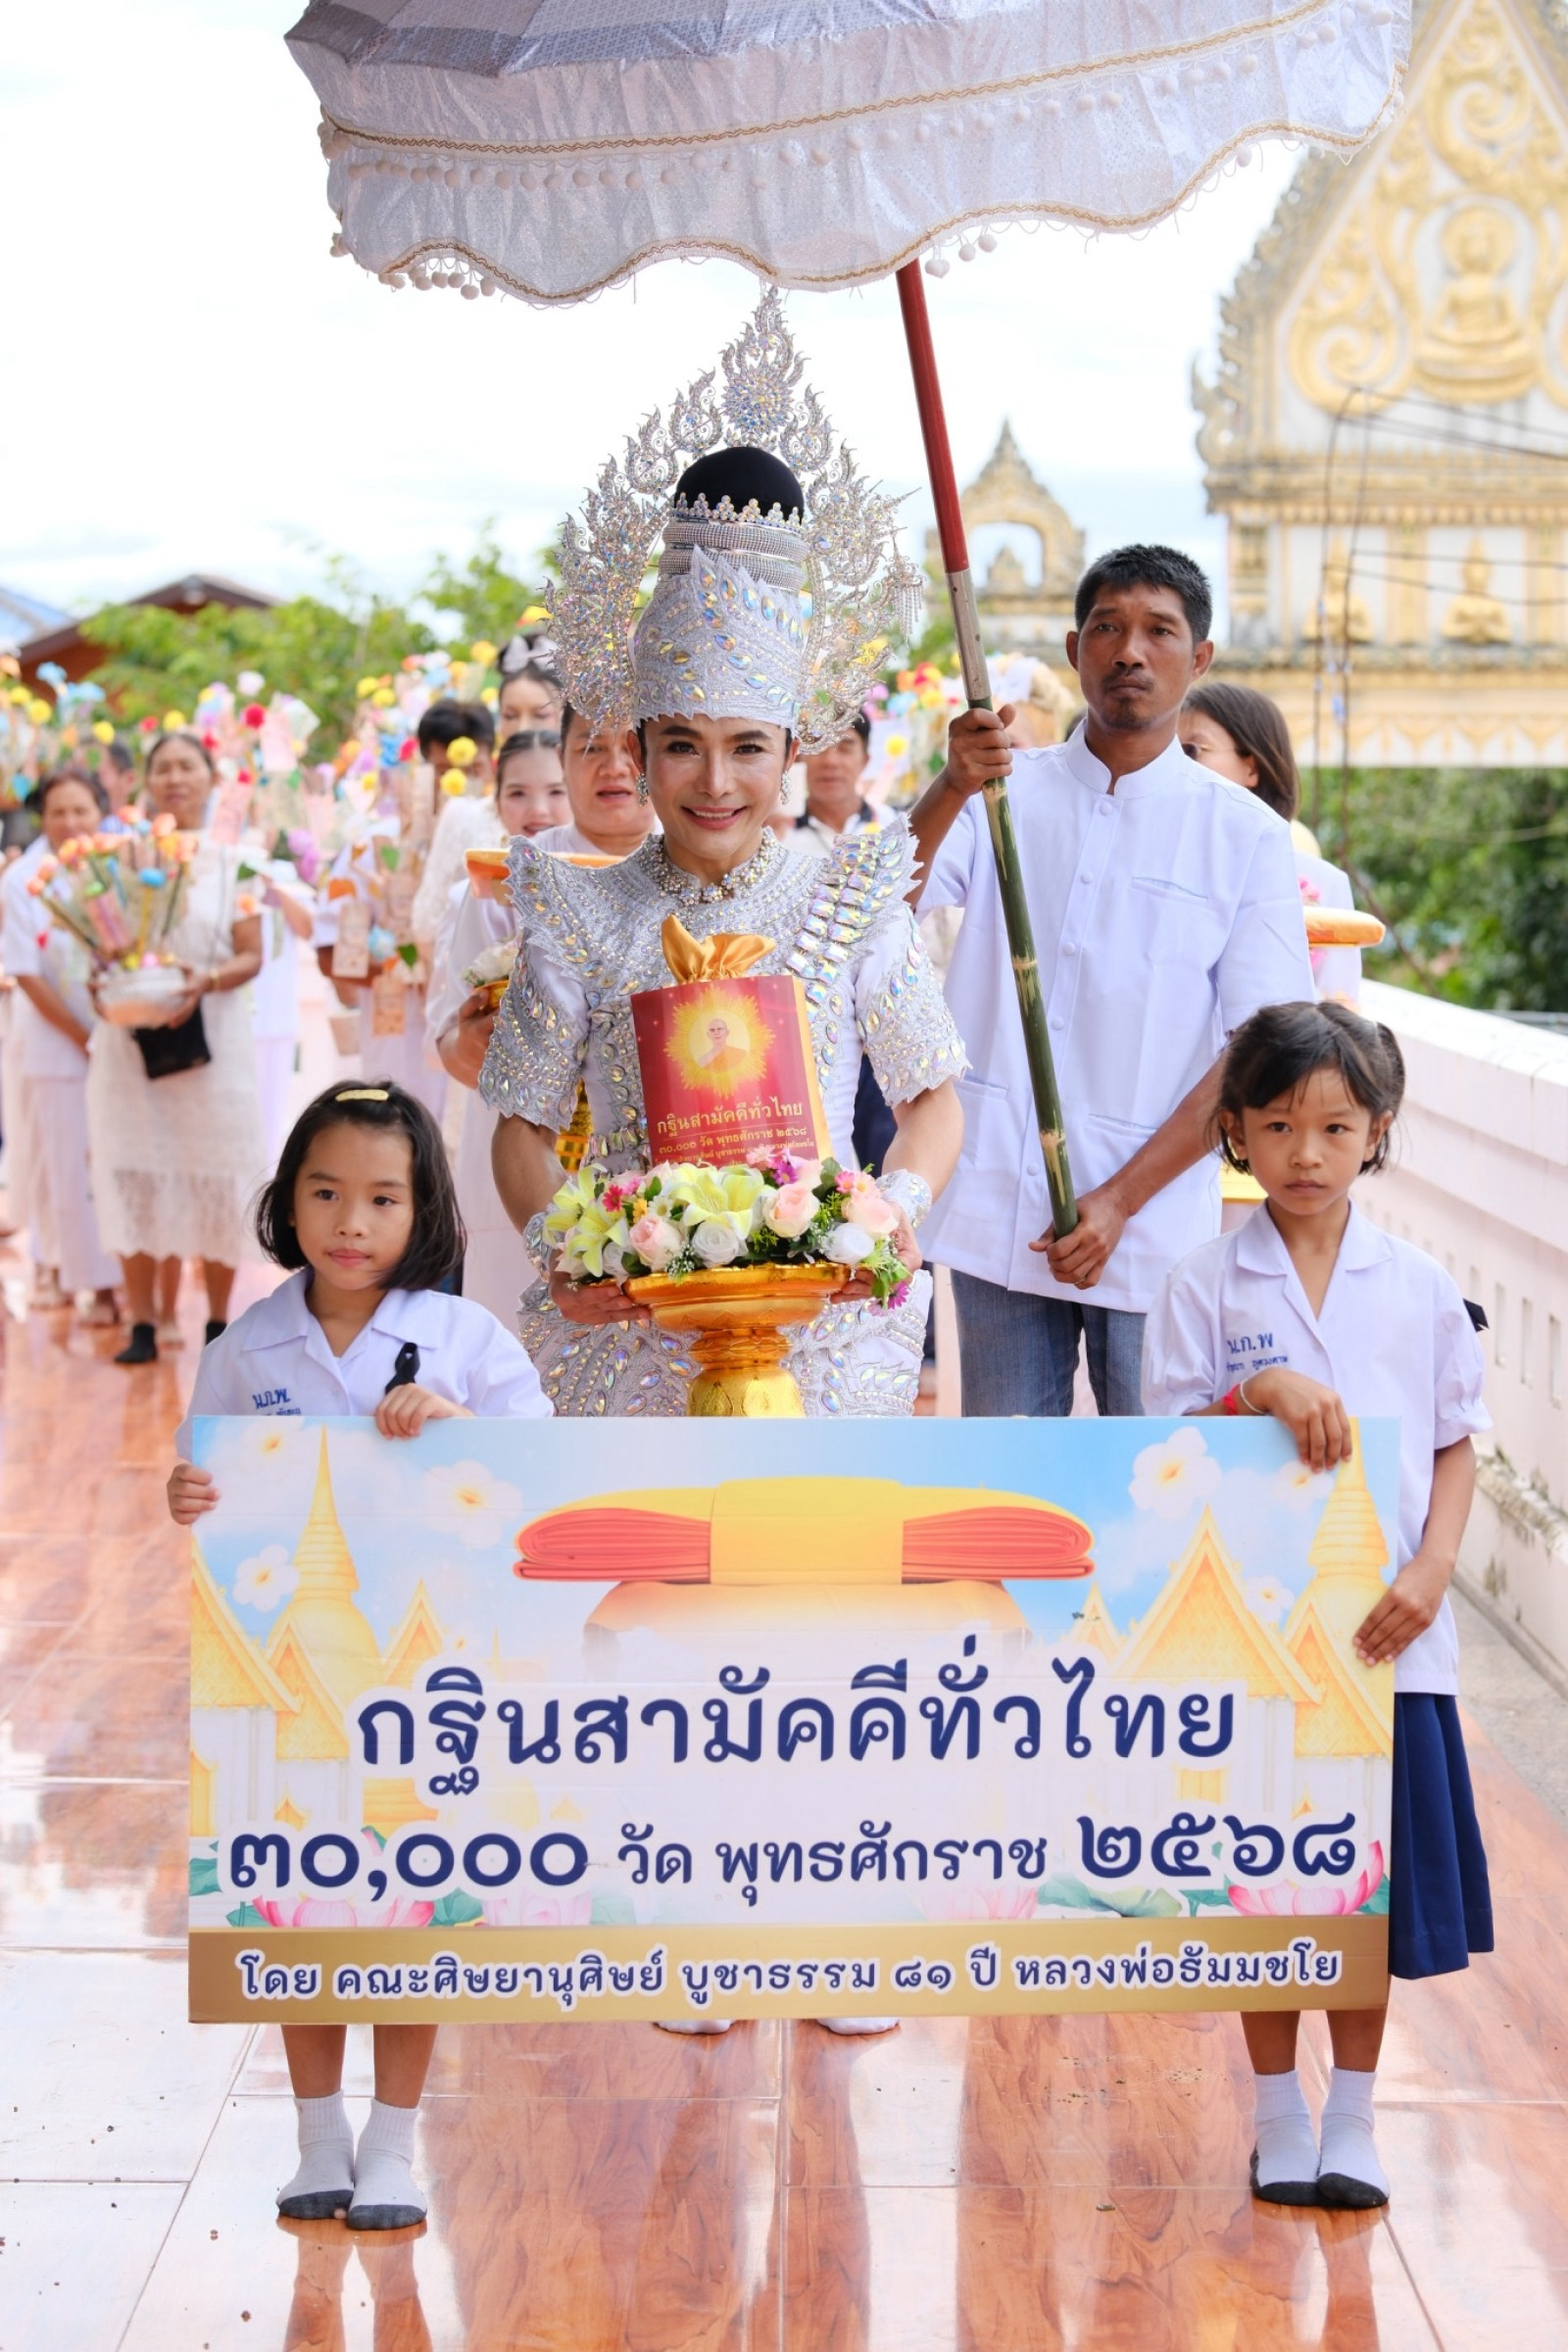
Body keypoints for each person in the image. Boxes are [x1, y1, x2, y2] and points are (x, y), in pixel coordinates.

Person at [483, 427, 964, 1426]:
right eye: (682, 748)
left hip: (819, 1330)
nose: (714, 782)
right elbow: (521, 1128)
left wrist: (892, 1218)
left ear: (791, 751)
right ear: (641, 748)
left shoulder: (849, 896)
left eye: (746, 747)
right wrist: (562, 1258)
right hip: (634, 1331)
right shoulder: (582, 908)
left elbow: (932, 1103)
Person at [168, 1079, 550, 2229]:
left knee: (408, 1904)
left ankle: (394, 2142)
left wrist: (455, 1427)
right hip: (298, 1695)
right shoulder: (248, 1346)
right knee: (302, 1902)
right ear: (286, 1201)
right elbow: (216, 1479)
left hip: (418, 1689)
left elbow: (533, 1466)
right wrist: (187, 1489)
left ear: (423, 1210)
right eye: (325, 1192)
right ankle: (317, 2135)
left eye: (382, 1198)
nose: (350, 1222)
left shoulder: (463, 1337)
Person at [1142, 1001, 1493, 2210]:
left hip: (1387, 1635)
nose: (1304, 1152)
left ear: (1376, 1134)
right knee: (1273, 1880)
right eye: (1278, 1123)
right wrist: (1261, 1388)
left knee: (1362, 1890)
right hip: (1257, 1642)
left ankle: (1354, 2117)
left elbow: (1455, 1443)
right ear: (1233, 1131)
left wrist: (1431, 1567)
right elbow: (1168, 1446)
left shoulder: (1424, 1288)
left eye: (1334, 1127)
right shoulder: (1200, 1283)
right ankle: (1273, 2112)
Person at [911, 544, 1314, 1417]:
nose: (1130, 650)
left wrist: (1122, 1200)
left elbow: (1264, 1046)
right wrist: (949, 784)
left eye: (1158, 631)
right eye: (1108, 628)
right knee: (1010, 1484)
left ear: (1198, 659)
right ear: (1074, 649)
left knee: (1157, 1482)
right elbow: (882, 901)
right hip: (997, 1205)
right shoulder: (998, 794)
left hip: (1151, 1222)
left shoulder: (1242, 835)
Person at [85, 731, 267, 1364]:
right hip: (131, 1046)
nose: (174, 778)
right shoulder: (122, 857)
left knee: (215, 1176)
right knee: (136, 1169)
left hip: (213, 1043)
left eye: (187, 766)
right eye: (162, 768)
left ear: (211, 778)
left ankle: (218, 1322)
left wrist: (205, 981)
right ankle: (141, 1323)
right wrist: (102, 978)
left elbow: (252, 952)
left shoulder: (234, 860)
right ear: (146, 783)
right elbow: (100, 941)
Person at [425, 730, 570, 1323]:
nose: (537, 810)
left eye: (554, 791)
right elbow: (448, 1037)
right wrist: (483, 1037)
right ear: (497, 803)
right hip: (512, 1136)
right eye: (518, 793)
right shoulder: (484, 890)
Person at [0, 768, 119, 1321]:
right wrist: (82, 1036)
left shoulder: (118, 866)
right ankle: (83, 1280)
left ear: (100, 812)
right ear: (42, 817)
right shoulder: (24, 878)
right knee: (64, 1167)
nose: (70, 823)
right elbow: (25, 971)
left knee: (113, 1167)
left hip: (116, 1045)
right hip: (55, 1047)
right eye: (58, 812)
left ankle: (116, 1283)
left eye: (81, 811)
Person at [1180, 680, 1363, 1004]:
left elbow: (1338, 1009)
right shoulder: (1150, 863)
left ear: (1251, 766)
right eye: (1167, 751)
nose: (1174, 765)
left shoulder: (1322, 885)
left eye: (1192, 750)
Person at [532, 704, 656, 858]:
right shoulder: (521, 867)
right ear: (561, 760)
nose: (614, 769)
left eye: (635, 749)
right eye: (592, 749)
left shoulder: (692, 860)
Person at [786, 711, 880, 860]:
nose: (830, 761)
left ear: (865, 760)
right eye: (818, 747)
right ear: (797, 758)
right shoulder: (778, 837)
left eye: (845, 749)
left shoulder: (892, 828)